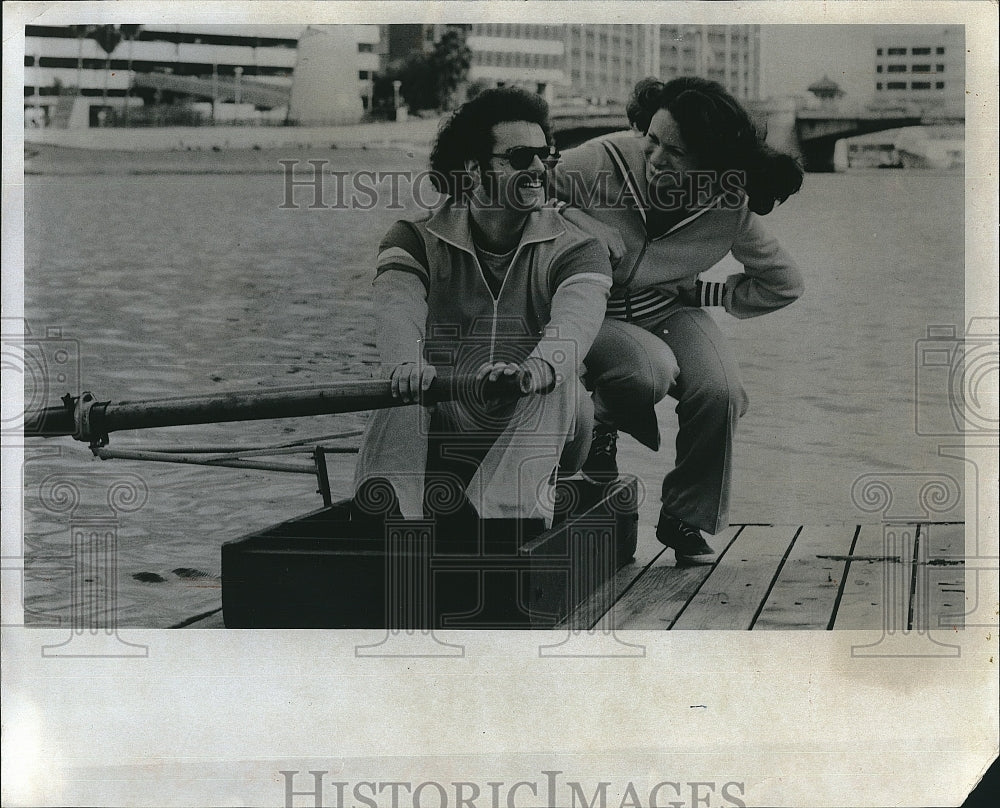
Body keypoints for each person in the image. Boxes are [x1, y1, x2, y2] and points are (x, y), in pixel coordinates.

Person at [553, 77, 805, 564]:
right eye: (651, 138)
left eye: (676, 151)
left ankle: (684, 518)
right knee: (652, 370)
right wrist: (580, 219)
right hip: (587, 309)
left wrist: (702, 291)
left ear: (712, 163)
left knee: (721, 392)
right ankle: (603, 421)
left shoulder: (730, 204)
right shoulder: (598, 160)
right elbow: (519, 195)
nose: (654, 157)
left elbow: (784, 283)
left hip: (665, 311)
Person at [354, 87, 613, 525]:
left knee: (559, 377)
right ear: (472, 169)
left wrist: (535, 370)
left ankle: (498, 520)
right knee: (400, 381)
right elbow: (397, 309)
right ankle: (390, 511)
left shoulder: (580, 248)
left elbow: (576, 324)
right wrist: (405, 364)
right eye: (518, 157)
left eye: (543, 156)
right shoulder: (413, 240)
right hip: (449, 412)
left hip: (542, 418)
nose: (537, 168)